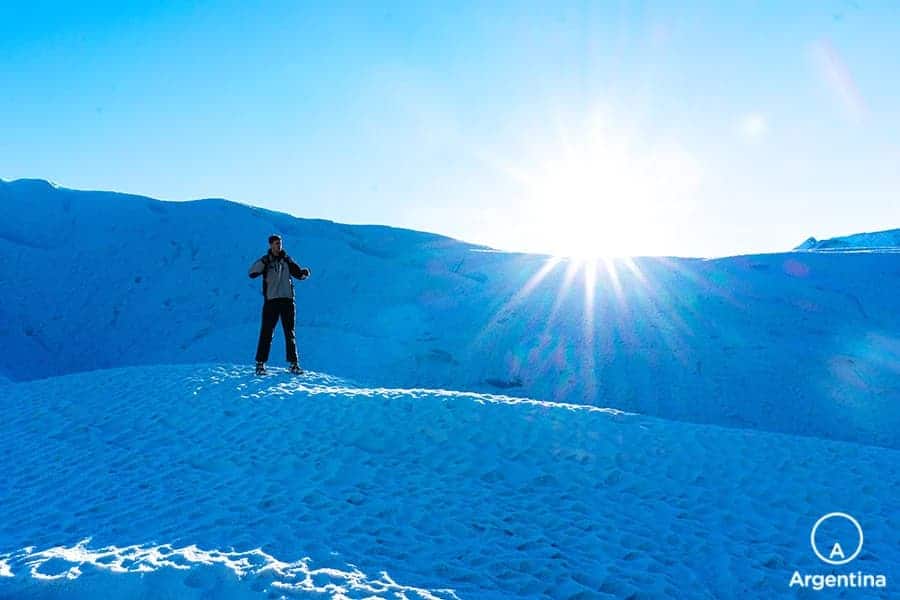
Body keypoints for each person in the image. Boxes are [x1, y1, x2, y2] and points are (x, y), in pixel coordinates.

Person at [248, 234, 310, 375]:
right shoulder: (266, 261)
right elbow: (251, 273)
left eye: (280, 243)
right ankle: (260, 364)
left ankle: (293, 364)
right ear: (270, 245)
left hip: (287, 301)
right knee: (266, 332)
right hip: (272, 301)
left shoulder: (287, 260)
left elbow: (299, 275)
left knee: (290, 333)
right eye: (276, 243)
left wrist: (306, 273)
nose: (279, 246)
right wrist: (264, 262)